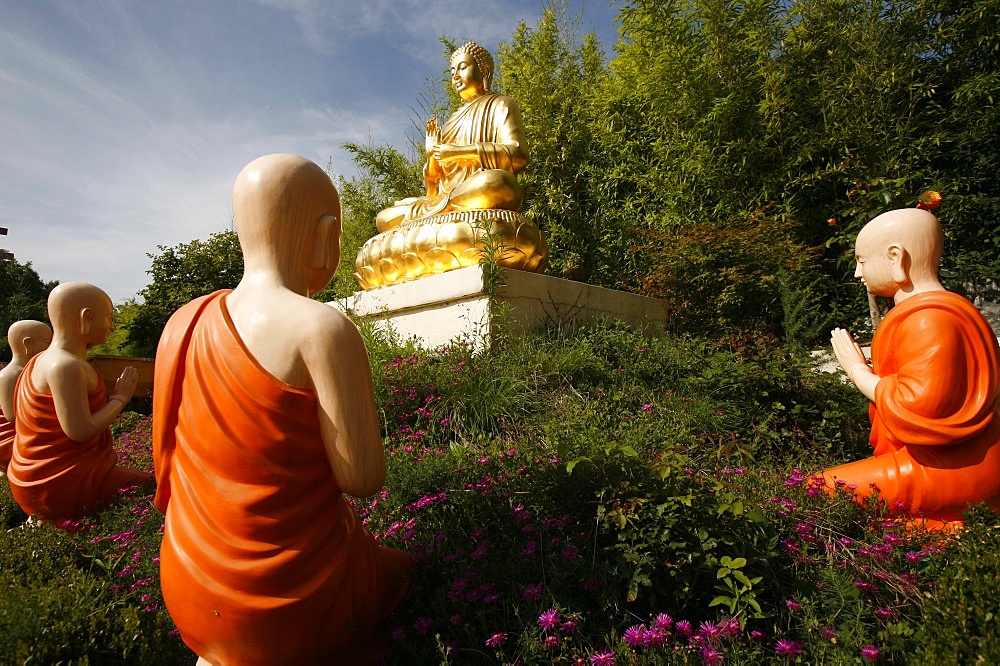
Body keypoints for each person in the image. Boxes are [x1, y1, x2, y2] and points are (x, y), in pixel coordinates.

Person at [153, 154, 411, 664]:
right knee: (400, 569)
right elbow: (361, 478)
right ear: (325, 235)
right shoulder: (321, 328)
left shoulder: (181, 324)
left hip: (186, 589)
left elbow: (163, 462)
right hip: (290, 604)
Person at [822, 207, 1000, 526]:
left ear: (896, 258)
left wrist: (857, 370)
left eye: (862, 261)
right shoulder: (933, 313)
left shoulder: (929, 320)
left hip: (954, 467)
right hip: (952, 460)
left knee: (816, 490)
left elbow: (918, 406)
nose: (858, 274)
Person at [7, 283, 150, 521]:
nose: (112, 326)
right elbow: (80, 431)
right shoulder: (66, 366)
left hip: (30, 478)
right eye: (108, 317)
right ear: (87, 317)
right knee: (156, 487)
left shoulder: (39, 361)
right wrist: (120, 397)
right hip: (56, 482)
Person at [375, 41, 528, 232]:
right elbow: (434, 188)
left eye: (463, 67)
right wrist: (432, 155)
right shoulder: (449, 124)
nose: (455, 75)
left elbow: (518, 154)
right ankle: (443, 213)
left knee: (497, 183)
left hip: (477, 190)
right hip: (449, 198)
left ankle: (437, 218)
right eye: (452, 71)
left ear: (485, 70)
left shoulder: (501, 104)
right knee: (384, 218)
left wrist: (458, 152)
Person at [0, 320, 52, 475]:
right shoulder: (10, 374)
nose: (50, 349)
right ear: (28, 344)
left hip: (26, 432)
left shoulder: (33, 372)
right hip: (12, 437)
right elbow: (12, 416)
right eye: (47, 343)